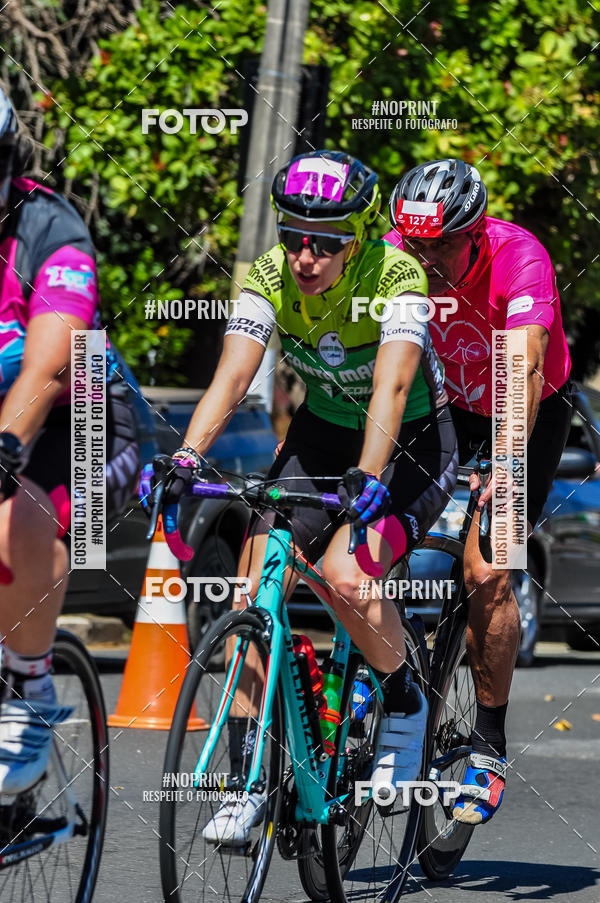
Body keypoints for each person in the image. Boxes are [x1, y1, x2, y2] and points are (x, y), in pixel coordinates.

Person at [142, 149, 459, 845]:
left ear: (362, 237)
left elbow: (393, 389)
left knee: (348, 576)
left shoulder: (397, 275)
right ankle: (253, 777)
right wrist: (188, 456)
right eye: (292, 235)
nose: (305, 255)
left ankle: (404, 699)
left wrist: (371, 476)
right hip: (318, 438)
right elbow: (231, 376)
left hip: (406, 444)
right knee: (251, 594)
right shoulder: (268, 275)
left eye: (326, 241)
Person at [384, 158, 572, 824]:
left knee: (488, 567)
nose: (423, 257)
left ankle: (486, 748)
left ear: (474, 232)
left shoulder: (520, 256)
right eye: (413, 243)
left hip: (521, 407)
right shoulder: (392, 258)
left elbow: (520, 367)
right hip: (441, 403)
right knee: (368, 530)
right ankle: (388, 676)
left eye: (439, 244)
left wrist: (505, 460)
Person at [0, 86, 140, 794]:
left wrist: (4, 450)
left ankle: (30, 688)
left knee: (16, 510)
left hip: (81, 422)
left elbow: (51, 365)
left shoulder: (49, 229)